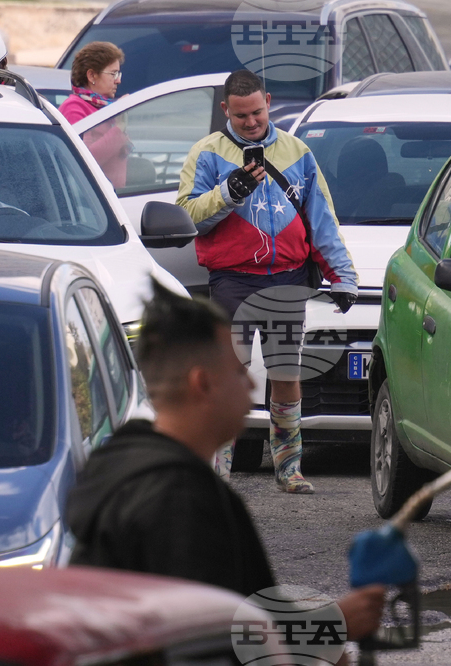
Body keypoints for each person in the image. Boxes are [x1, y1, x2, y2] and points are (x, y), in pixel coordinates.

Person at [66, 281, 385, 642]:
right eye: (237, 371)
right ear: (203, 383)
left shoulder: (125, 469)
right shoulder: (182, 501)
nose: (250, 384)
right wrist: (331, 626)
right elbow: (215, 642)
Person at [176, 70, 358, 493]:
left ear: (269, 102)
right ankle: (216, 471)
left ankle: (289, 468)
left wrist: (343, 276)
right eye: (241, 116)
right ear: (226, 110)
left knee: (286, 372)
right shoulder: (206, 154)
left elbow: (322, 220)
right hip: (232, 281)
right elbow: (188, 218)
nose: (251, 121)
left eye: (257, 112)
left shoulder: (298, 152)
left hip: (286, 280)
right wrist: (229, 192)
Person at [59, 41, 132, 189]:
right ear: (92, 75)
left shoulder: (105, 107)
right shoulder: (73, 107)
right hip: (89, 202)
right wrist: (119, 129)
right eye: (113, 74)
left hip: (115, 196)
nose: (118, 80)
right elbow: (83, 160)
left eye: (118, 73)